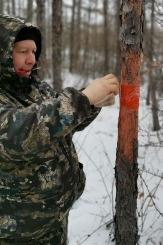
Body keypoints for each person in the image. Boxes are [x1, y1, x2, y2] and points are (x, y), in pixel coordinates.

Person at [0, 14, 119, 244]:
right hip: (16, 234)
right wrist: (82, 100)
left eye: (33, 52)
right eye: (22, 51)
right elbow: (20, 133)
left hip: (52, 223)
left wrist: (91, 104)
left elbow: (58, 125)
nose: (31, 60)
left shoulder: (33, 86)